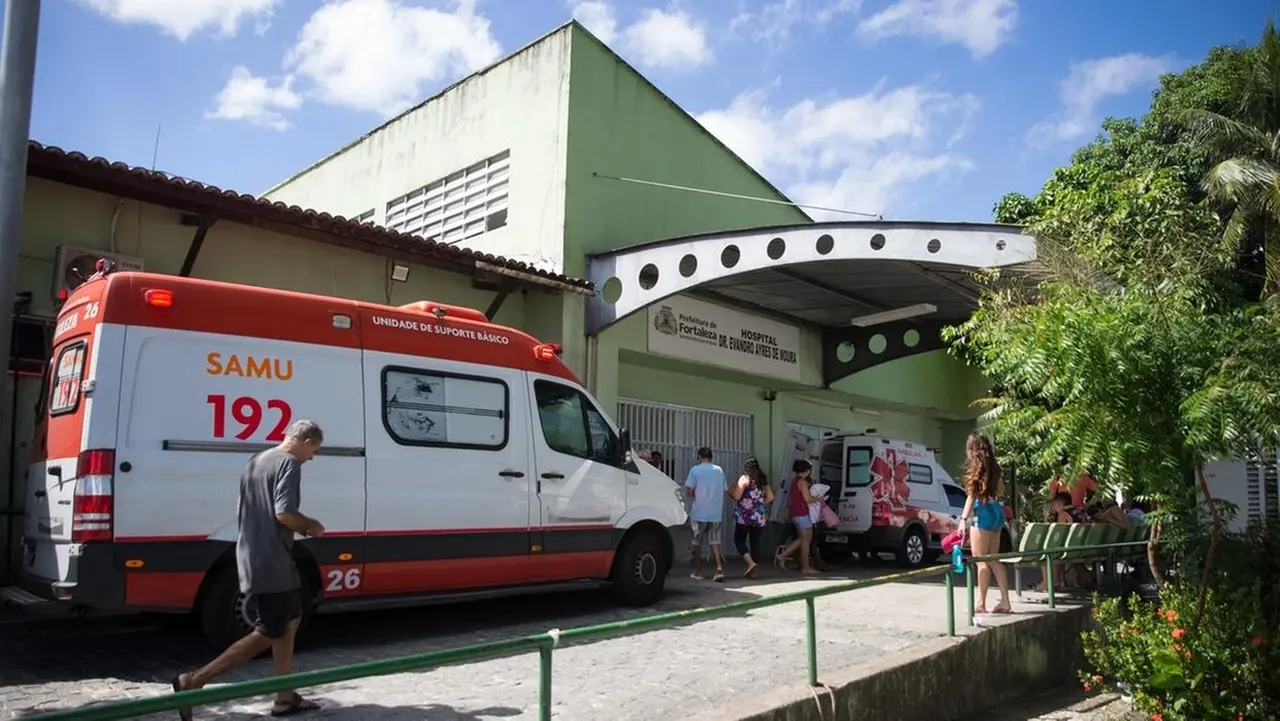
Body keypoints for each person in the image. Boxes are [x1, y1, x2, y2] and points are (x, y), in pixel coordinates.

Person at [171, 420, 327, 720]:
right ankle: (194, 680)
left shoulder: (259, 459)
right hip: (271, 560)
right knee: (270, 630)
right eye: (314, 451)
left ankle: (284, 696)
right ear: (306, 442)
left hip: (255, 553)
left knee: (291, 618)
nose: (312, 458)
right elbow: (284, 513)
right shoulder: (289, 463)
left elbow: (245, 508)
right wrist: (311, 526)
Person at [958, 434, 1012, 615]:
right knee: (994, 559)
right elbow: (1001, 491)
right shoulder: (996, 469)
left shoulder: (977, 469)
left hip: (983, 512)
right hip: (997, 511)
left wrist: (963, 520)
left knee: (980, 560)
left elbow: (971, 497)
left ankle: (980, 603)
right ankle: (1005, 601)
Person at [684, 447, 728, 582]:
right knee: (715, 542)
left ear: (699, 457)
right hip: (715, 513)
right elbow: (724, 491)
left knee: (697, 542)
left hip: (699, 512)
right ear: (711, 457)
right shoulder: (719, 470)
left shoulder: (695, 470)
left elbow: (690, 492)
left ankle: (698, 572)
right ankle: (719, 569)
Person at [730, 457, 773, 579]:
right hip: (759, 516)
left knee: (739, 540)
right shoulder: (762, 481)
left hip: (744, 516)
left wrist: (730, 491)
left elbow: (737, 496)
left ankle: (750, 563)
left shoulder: (744, 479)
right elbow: (770, 497)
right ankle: (754, 572)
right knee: (755, 543)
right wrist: (759, 504)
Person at [776, 459, 819, 576]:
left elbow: (792, 498)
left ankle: (784, 556)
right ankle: (805, 567)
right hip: (802, 513)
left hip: (795, 513)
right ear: (806, 470)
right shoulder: (803, 482)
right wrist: (818, 498)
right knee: (806, 540)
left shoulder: (794, 481)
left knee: (802, 539)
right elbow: (807, 498)